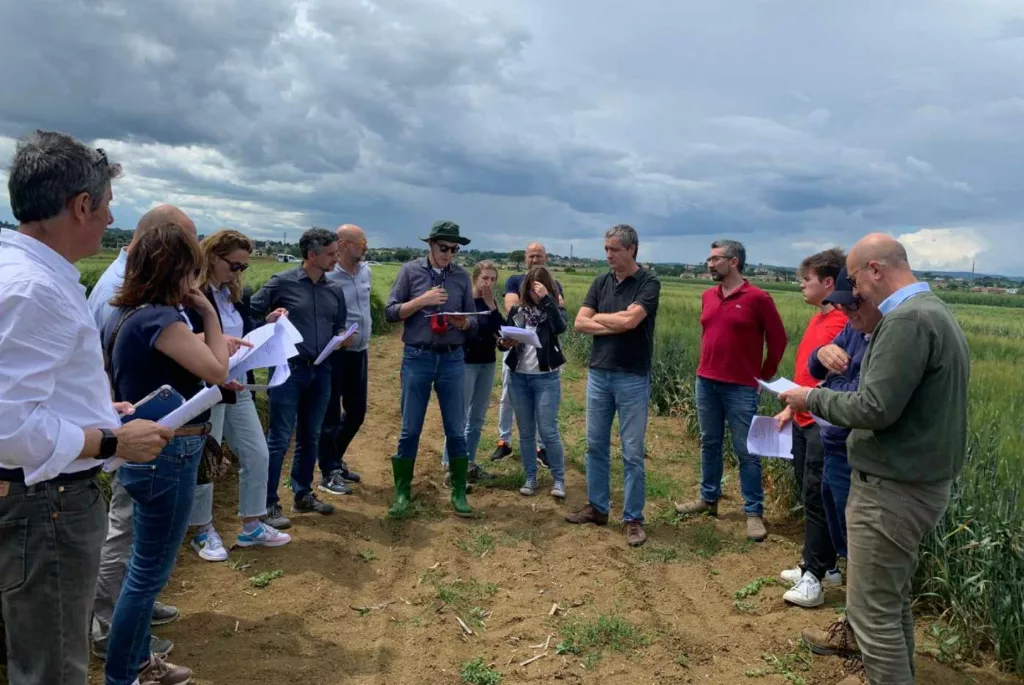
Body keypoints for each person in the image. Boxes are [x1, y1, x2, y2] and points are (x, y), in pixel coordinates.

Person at [0, 130, 172, 685]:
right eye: (105, 207)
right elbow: (7, 425)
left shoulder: (18, 270)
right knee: (52, 663)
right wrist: (112, 440)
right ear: (80, 206)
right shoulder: (37, 290)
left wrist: (97, 408)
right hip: (45, 503)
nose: (109, 220)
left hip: (31, 498)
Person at [779, 234, 970, 685]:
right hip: (912, 482)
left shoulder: (906, 321)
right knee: (891, 601)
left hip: (892, 489)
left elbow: (874, 408)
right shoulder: (933, 311)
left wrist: (810, 397)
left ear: (875, 271)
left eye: (854, 280)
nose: (853, 292)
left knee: (872, 615)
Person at [103, 222, 230, 685]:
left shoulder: (132, 315)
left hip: (153, 455)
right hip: (168, 454)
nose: (195, 284)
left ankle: (136, 664)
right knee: (147, 577)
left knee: (143, 568)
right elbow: (217, 370)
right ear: (177, 271)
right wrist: (210, 313)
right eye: (192, 273)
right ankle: (124, 676)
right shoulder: (162, 320)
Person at [89, 205, 198, 659]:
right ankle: (109, 626)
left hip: (131, 423)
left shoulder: (131, 286)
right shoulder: (125, 292)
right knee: (125, 528)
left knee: (134, 532)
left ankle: (131, 610)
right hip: (132, 428)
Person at [185, 230, 292, 562]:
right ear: (213, 257)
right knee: (210, 460)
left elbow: (242, 333)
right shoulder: (192, 295)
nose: (239, 273)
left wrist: (267, 322)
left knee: (257, 453)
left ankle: (252, 524)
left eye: (243, 267)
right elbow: (181, 338)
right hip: (207, 389)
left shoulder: (233, 295)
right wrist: (209, 343)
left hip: (238, 386)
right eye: (234, 266)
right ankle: (202, 531)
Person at [674, 239, 787, 542]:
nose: (709, 264)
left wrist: (761, 377)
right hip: (706, 381)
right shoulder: (708, 295)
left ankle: (753, 512)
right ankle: (708, 499)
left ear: (733, 261)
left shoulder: (758, 298)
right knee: (709, 442)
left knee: (746, 449)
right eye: (709, 259)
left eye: (715, 259)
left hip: (740, 387)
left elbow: (778, 341)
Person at [799, 267, 882, 662]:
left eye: (851, 307)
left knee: (861, 549)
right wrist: (820, 355)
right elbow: (819, 371)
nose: (846, 314)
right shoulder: (852, 330)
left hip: (856, 456)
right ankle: (851, 625)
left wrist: (818, 396)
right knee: (845, 544)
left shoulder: (884, 338)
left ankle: (860, 635)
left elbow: (864, 402)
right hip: (834, 450)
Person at [566, 224, 660, 548]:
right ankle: (598, 507)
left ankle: (633, 518)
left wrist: (605, 319)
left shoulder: (648, 282)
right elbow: (579, 323)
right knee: (594, 444)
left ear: (632, 249)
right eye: (606, 249)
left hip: (632, 376)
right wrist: (615, 321)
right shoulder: (600, 281)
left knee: (632, 451)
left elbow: (632, 322)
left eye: (614, 250)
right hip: (599, 374)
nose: (608, 255)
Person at [250, 228, 350, 525]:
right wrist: (269, 323)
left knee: (311, 435)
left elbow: (340, 325)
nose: (335, 259)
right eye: (331, 254)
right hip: (288, 371)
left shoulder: (334, 290)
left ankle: (303, 493)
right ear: (312, 255)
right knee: (279, 438)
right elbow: (251, 314)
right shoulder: (282, 283)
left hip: (322, 370)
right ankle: (266, 503)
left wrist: (342, 337)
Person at [384, 220, 477, 517]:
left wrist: (462, 322)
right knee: (410, 428)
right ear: (431, 245)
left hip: (452, 358)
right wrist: (421, 301)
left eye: (454, 248)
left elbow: (472, 320)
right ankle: (402, 493)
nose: (449, 253)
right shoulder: (410, 272)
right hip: (418, 357)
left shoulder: (462, 277)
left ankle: (459, 493)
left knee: (455, 429)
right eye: (444, 248)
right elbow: (391, 312)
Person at [776, 248, 848, 608]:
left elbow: (840, 380)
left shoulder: (840, 323)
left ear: (829, 283)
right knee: (812, 495)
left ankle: (814, 578)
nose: (801, 285)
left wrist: (806, 401)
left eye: (807, 280)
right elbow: (808, 374)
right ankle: (821, 563)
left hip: (823, 424)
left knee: (819, 499)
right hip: (804, 417)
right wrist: (791, 408)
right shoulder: (820, 319)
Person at [490, 242, 564, 465]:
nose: (535, 259)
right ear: (525, 258)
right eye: (531, 256)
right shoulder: (514, 280)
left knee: (545, 406)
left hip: (544, 357)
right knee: (507, 397)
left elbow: (559, 311)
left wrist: (545, 298)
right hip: (518, 351)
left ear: (546, 257)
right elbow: (512, 305)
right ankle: (504, 442)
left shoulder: (555, 283)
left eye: (539, 255)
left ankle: (542, 448)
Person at [500, 266, 568, 499]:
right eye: (531, 287)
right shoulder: (518, 311)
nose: (534, 292)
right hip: (519, 377)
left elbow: (561, 327)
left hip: (546, 378)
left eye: (539, 288)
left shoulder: (552, 312)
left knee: (548, 430)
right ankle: (530, 477)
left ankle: (559, 479)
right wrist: (504, 343)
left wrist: (547, 300)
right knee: (526, 431)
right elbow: (504, 339)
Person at [318, 224, 371, 496]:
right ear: (343, 244)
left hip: (360, 353)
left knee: (357, 411)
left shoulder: (366, 271)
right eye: (361, 241)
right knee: (330, 414)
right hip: (336, 355)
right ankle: (328, 471)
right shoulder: (329, 276)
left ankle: (334, 460)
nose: (366, 246)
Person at [440, 260, 503, 488]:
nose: (489, 283)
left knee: (477, 418)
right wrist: (486, 334)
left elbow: (500, 328)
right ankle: (450, 465)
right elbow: (467, 332)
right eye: (485, 278)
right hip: (466, 362)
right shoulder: (466, 302)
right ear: (475, 278)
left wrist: (492, 307)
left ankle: (470, 462)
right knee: (459, 416)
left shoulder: (490, 302)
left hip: (487, 362)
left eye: (493, 279)